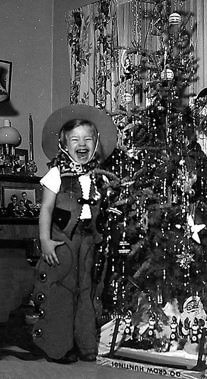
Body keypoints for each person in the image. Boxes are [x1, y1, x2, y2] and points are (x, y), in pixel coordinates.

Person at [32, 104, 117, 364]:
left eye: (88, 139)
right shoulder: (56, 174)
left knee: (85, 291)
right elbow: (46, 209)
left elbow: (100, 209)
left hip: (88, 241)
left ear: (96, 143)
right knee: (62, 291)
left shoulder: (98, 177)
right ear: (64, 145)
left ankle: (86, 343)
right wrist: (45, 240)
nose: (82, 144)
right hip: (63, 241)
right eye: (75, 140)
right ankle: (57, 346)